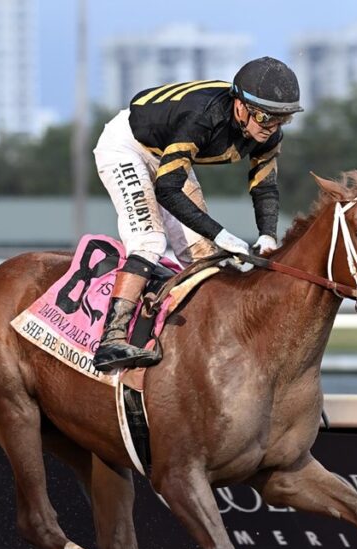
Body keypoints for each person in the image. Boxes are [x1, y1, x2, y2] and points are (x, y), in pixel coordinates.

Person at [91, 56, 303, 373]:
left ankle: (212, 342)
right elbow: (167, 189)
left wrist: (267, 236)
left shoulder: (267, 133)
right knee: (150, 239)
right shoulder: (202, 117)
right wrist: (221, 232)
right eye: (263, 117)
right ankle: (112, 338)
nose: (269, 128)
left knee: (205, 253)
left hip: (166, 153)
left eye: (280, 120)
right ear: (240, 105)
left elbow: (264, 187)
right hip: (127, 146)